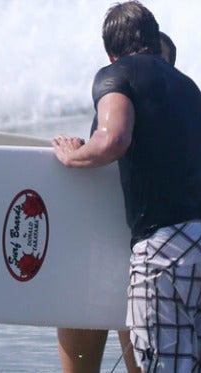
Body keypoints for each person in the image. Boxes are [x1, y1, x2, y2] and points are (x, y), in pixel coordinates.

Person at [53, 1, 201, 372]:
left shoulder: (116, 74)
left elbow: (113, 140)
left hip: (165, 250)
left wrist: (74, 157)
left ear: (110, 50)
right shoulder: (188, 86)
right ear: (153, 38)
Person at [55, 30, 177, 373]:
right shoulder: (110, 117)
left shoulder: (184, 137)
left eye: (155, 62)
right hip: (90, 265)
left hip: (144, 268)